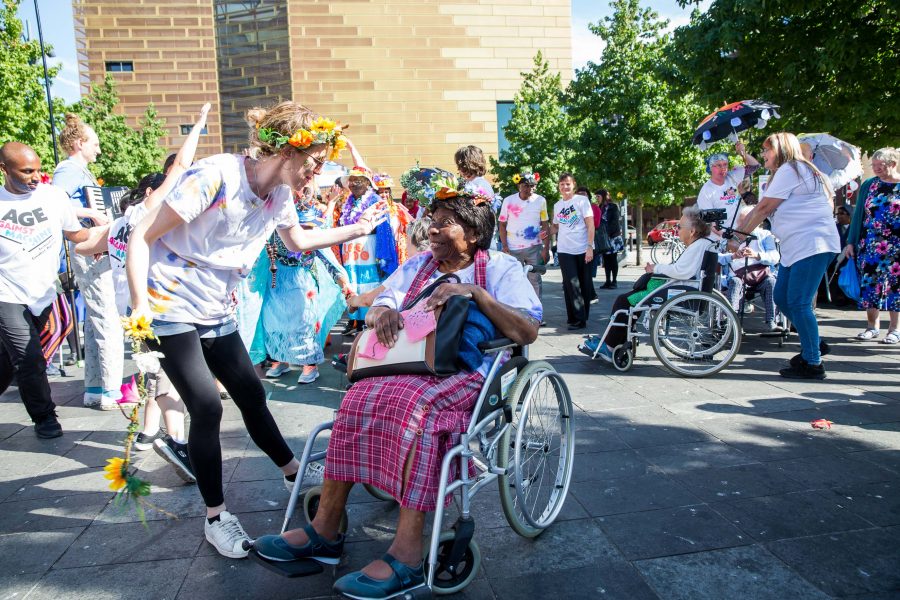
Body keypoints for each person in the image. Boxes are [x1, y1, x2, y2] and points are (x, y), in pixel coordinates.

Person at [253, 180, 540, 600]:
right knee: (357, 399)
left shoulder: (498, 268)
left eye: (446, 224)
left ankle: (407, 554)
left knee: (416, 407)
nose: (434, 230)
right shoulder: (419, 265)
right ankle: (325, 531)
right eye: (433, 222)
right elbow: (386, 297)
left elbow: (527, 331)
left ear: (474, 235)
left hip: (469, 370)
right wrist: (383, 312)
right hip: (409, 362)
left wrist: (474, 294)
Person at [126, 101, 387, 559]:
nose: (318, 174)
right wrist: (140, 312)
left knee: (251, 392)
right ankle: (216, 518)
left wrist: (357, 228)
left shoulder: (280, 195)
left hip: (214, 307)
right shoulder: (216, 176)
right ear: (288, 151)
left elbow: (299, 241)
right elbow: (140, 235)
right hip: (168, 304)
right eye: (315, 163)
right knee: (206, 406)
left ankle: (291, 472)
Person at [74, 104, 211, 479]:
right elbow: (180, 168)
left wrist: (77, 226)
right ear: (150, 194)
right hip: (155, 312)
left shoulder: (117, 224)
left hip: (131, 317)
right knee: (173, 383)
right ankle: (178, 444)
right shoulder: (144, 215)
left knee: (160, 378)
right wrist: (197, 126)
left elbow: (84, 247)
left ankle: (157, 436)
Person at [0, 142, 100, 438]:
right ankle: (45, 418)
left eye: (39, 169)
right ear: (4, 170)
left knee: (8, 360)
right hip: (6, 293)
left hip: (43, 292)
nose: (36, 176)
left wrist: (105, 238)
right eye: (27, 171)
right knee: (29, 357)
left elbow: (76, 234)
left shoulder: (53, 197)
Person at [736, 132, 840, 379]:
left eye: (766, 150)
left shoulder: (791, 169)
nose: (763, 154)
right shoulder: (798, 171)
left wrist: (739, 236)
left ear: (781, 149)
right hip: (798, 246)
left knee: (799, 302)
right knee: (782, 297)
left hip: (812, 243)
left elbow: (763, 208)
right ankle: (814, 341)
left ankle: (813, 363)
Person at [52, 113, 125, 409]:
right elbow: (56, 202)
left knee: (97, 319)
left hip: (90, 243)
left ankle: (97, 387)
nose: (98, 149)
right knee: (106, 316)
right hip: (86, 245)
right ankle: (110, 389)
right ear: (80, 143)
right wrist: (92, 215)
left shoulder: (79, 171)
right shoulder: (68, 170)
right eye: (94, 143)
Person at [582, 206, 715, 361]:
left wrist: (655, 268)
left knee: (623, 301)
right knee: (629, 299)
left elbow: (681, 271)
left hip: (679, 291)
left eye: (679, 226)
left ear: (692, 231)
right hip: (682, 288)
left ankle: (610, 346)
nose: (677, 230)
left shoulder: (697, 246)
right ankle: (613, 342)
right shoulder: (702, 244)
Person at [844, 147, 900, 343]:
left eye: (880, 165)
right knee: (871, 284)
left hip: (897, 245)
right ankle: (872, 326)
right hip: (871, 244)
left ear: (893, 164)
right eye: (873, 165)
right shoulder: (870, 184)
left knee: (896, 287)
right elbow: (858, 214)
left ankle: (894, 329)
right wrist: (850, 242)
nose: (876, 168)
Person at [339, 164, 399, 334]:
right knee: (354, 282)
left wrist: (383, 255)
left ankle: (369, 320)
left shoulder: (375, 201)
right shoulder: (349, 202)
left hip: (369, 248)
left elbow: (384, 228)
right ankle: (356, 321)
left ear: (367, 183)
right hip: (351, 249)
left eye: (357, 181)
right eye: (351, 181)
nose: (352, 184)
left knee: (369, 281)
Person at [719, 206, 780, 329]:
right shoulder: (730, 237)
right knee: (735, 282)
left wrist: (757, 255)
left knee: (771, 282)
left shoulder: (765, 235)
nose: (743, 226)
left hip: (761, 275)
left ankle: (772, 320)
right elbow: (718, 257)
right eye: (741, 222)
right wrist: (733, 256)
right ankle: (732, 321)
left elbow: (775, 256)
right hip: (737, 275)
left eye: (746, 222)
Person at [498, 170, 549, 299]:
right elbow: (502, 224)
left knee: (535, 280)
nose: (529, 188)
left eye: (532, 185)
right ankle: (518, 310)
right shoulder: (508, 201)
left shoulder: (540, 200)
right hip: (513, 248)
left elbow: (545, 225)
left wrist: (546, 248)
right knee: (515, 280)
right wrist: (504, 246)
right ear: (518, 186)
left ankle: (537, 313)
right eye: (525, 185)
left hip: (534, 247)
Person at [552, 173, 594, 329]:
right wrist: (545, 232)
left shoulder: (582, 201)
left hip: (583, 248)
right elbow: (556, 226)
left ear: (573, 184)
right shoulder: (557, 205)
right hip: (564, 250)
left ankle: (582, 316)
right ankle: (576, 318)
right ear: (559, 186)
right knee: (570, 284)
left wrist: (589, 247)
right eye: (562, 184)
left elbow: (590, 225)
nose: (565, 187)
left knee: (584, 284)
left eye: (568, 184)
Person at [696, 141, 760, 236]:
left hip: (742, 231)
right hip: (722, 237)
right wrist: (725, 236)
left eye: (725, 164)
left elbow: (755, 166)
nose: (723, 168)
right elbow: (709, 222)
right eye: (719, 165)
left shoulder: (732, 176)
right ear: (710, 168)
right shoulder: (706, 191)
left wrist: (742, 153)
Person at [595, 189, 622, 289]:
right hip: (603, 237)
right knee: (605, 260)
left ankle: (614, 281)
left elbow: (615, 221)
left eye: (598, 196)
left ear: (603, 196)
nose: (597, 199)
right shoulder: (599, 207)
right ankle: (607, 281)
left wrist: (608, 233)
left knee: (613, 259)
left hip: (612, 236)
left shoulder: (613, 206)